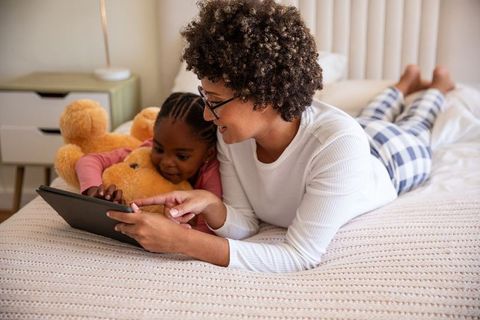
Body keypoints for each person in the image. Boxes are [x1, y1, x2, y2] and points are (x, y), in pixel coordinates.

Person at [106, 0, 455, 272]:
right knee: (369, 115)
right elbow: (246, 222)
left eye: (214, 102)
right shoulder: (232, 135)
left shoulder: (337, 143)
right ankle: (402, 85)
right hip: (351, 137)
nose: (207, 116)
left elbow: (300, 254)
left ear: (264, 95)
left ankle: (436, 89)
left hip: (386, 160)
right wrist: (212, 205)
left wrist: (184, 242)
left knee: (414, 127)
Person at [76, 92, 221, 233]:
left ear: (208, 154)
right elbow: (89, 161)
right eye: (159, 149)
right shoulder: (145, 152)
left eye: (181, 156)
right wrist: (93, 190)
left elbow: (206, 230)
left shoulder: (211, 177)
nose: (166, 162)